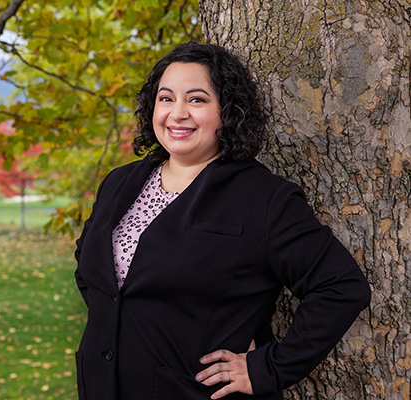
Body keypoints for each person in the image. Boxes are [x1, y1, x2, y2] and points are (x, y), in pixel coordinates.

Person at [74, 41, 371, 400]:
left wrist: (268, 368)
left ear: (228, 111)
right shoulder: (120, 182)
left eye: (196, 100)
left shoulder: (263, 198)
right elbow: (90, 267)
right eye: (166, 99)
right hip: (102, 387)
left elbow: (341, 287)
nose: (177, 113)